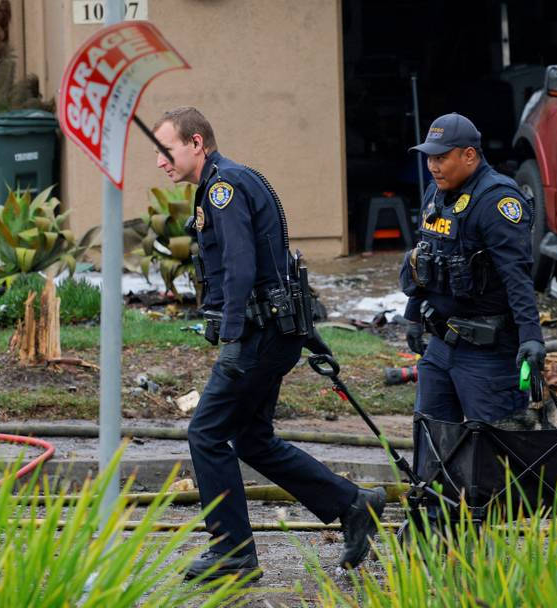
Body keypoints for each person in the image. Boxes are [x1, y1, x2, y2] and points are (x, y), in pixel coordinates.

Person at [152, 107, 385, 582]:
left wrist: (234, 337)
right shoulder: (230, 180)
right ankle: (353, 503)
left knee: (206, 432)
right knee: (253, 439)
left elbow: (240, 266)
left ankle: (234, 554)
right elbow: (274, 264)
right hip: (273, 333)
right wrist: (306, 333)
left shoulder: (222, 188)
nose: (160, 162)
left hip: (257, 337)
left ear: (196, 143)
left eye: (166, 149)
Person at [400, 112, 546, 427]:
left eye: (441, 157)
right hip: (440, 345)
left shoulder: (498, 201)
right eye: (429, 158)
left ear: (469, 155)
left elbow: (517, 277)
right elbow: (424, 259)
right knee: (433, 443)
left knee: (495, 453)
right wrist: (413, 315)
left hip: (487, 353)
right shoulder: (437, 193)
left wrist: (531, 338)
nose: (433, 166)